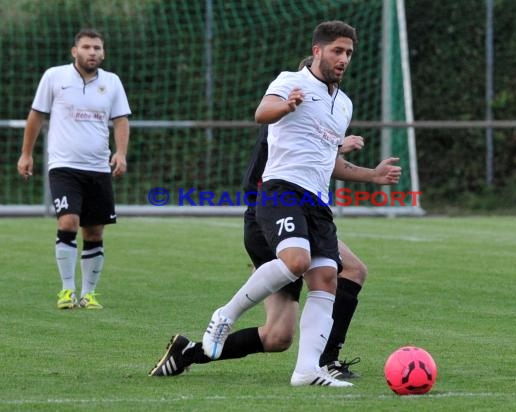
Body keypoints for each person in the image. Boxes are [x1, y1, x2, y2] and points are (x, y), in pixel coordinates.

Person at [152, 20, 399, 387]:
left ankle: (296, 368)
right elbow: (262, 113)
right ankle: (228, 316)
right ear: (317, 51)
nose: (344, 58)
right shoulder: (291, 82)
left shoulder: (342, 104)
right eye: (336, 51)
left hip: (315, 203)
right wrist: (285, 106)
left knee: (284, 329)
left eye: (348, 52)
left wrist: (372, 175)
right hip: (277, 198)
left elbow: (327, 160)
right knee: (304, 262)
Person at [17, 28, 131, 310]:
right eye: (86, 47)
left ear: (103, 52)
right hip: (63, 166)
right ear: (74, 51)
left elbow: (120, 120)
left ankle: (89, 294)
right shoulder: (55, 77)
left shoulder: (112, 82)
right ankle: (67, 290)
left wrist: (120, 153)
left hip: (98, 169)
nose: (92, 52)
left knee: (94, 232)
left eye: (97, 48)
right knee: (68, 222)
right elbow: (36, 116)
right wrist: (26, 154)